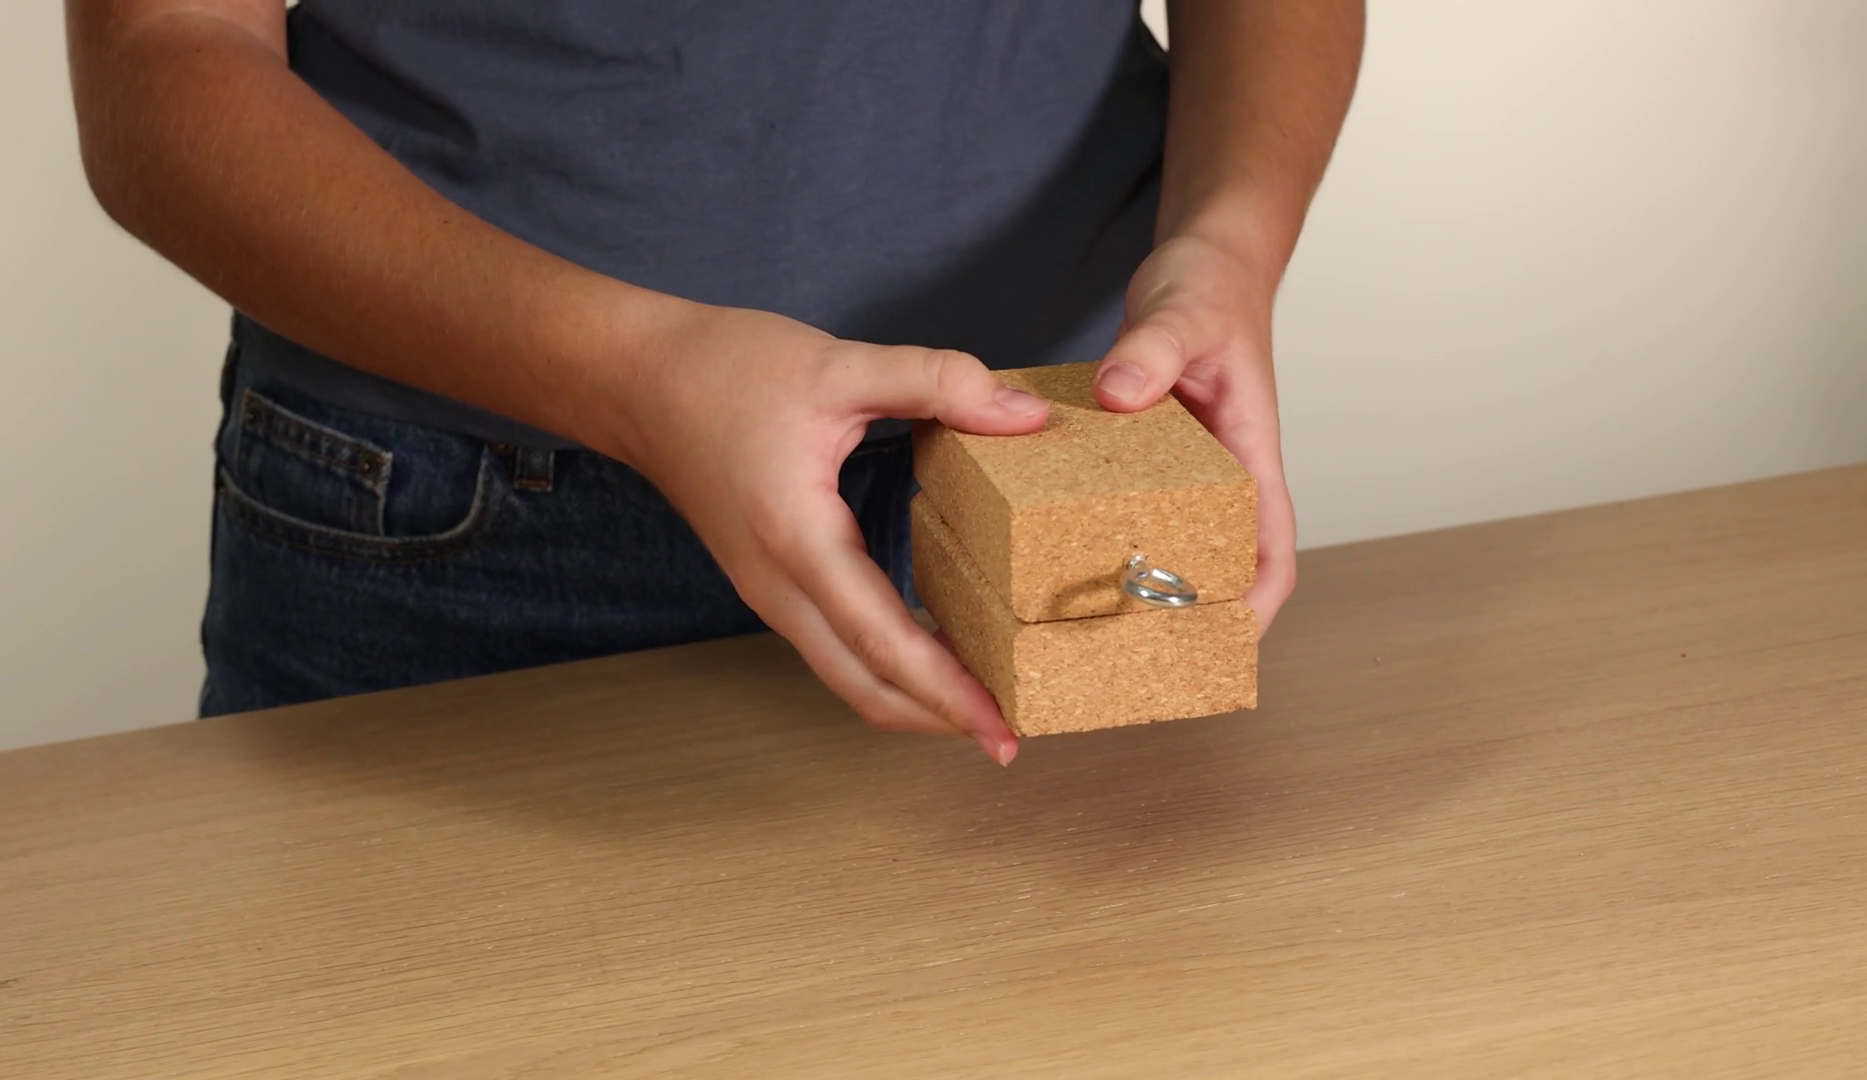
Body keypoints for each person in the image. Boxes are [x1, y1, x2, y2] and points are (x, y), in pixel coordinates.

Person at [66, 1, 1363, 765]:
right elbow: (164, 50)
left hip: (1065, 477)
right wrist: (636, 372)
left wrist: (1231, 243)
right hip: (456, 526)